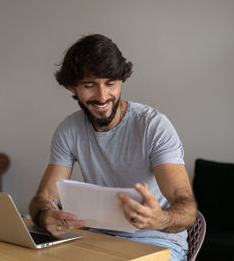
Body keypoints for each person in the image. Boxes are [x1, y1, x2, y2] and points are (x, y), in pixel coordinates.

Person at [29, 34, 197, 261]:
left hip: (157, 242)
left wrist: (159, 219)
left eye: (110, 84)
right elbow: (43, 198)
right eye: (89, 86)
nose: (102, 96)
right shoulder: (69, 130)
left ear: (121, 81)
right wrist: (44, 215)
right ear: (72, 88)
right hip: (98, 239)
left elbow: (186, 208)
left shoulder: (153, 126)